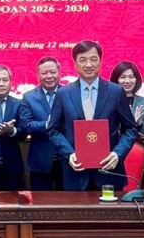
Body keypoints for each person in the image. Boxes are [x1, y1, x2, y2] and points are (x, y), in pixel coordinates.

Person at [47, 41, 137, 191]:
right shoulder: (63, 93)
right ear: (75, 63)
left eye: (93, 59)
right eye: (83, 60)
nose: (88, 64)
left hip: (109, 172)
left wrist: (117, 154)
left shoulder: (116, 91)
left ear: (100, 61)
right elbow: (53, 130)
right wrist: (69, 154)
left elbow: (130, 129)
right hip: (75, 173)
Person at [19, 56, 63, 191]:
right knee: (40, 201)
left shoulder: (70, 93)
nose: (49, 76)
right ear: (38, 75)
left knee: (69, 201)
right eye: (44, 73)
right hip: (40, 161)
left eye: (52, 72)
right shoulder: (29, 97)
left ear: (59, 73)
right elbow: (25, 125)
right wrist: (47, 124)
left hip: (67, 159)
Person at [109, 60, 144, 138]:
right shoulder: (109, 101)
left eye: (131, 77)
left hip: (138, 144)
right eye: (123, 77)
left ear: (136, 79)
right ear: (116, 79)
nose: (127, 81)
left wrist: (139, 123)